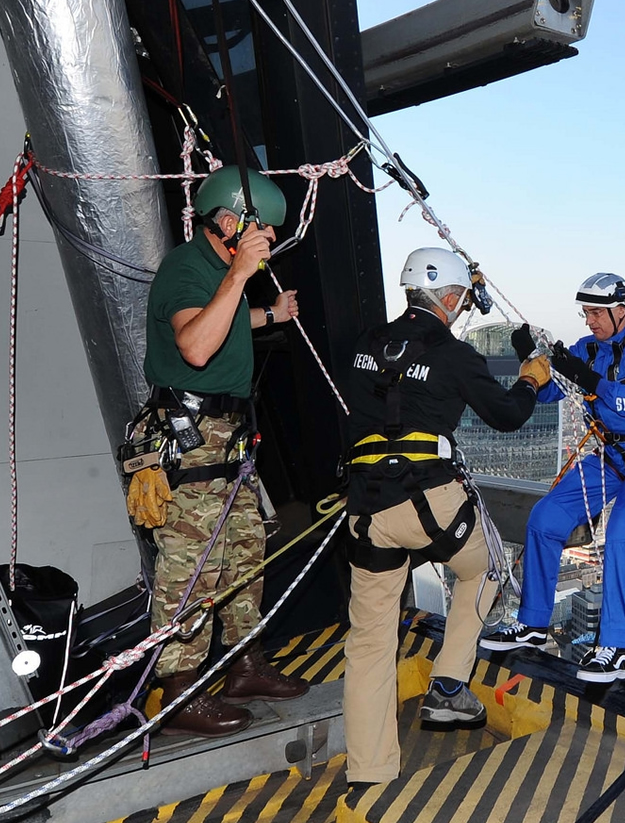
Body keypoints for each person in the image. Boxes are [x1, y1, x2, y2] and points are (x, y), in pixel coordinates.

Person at [342, 247, 551, 788]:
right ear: (452, 299)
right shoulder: (452, 353)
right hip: (431, 500)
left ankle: (370, 771)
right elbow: (506, 416)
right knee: (484, 571)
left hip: (367, 507)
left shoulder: (364, 344)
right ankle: (450, 687)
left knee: (369, 642)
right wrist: (531, 379)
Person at [143, 165, 309, 737]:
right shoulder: (188, 270)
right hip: (192, 442)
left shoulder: (219, 274)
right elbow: (194, 345)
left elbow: (228, 324)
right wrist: (240, 276)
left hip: (230, 438)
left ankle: (244, 665)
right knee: (192, 566)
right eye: (260, 234)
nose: (267, 246)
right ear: (229, 222)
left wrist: (271, 314)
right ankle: (179, 693)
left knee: (245, 550)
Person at [480, 273, 625, 683]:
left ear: (619, 309)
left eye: (595, 312)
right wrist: (531, 364)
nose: (589, 320)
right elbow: (554, 390)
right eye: (585, 312)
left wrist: (586, 377)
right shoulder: (585, 349)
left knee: (623, 530)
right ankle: (533, 623)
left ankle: (615, 645)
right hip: (609, 451)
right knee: (544, 517)